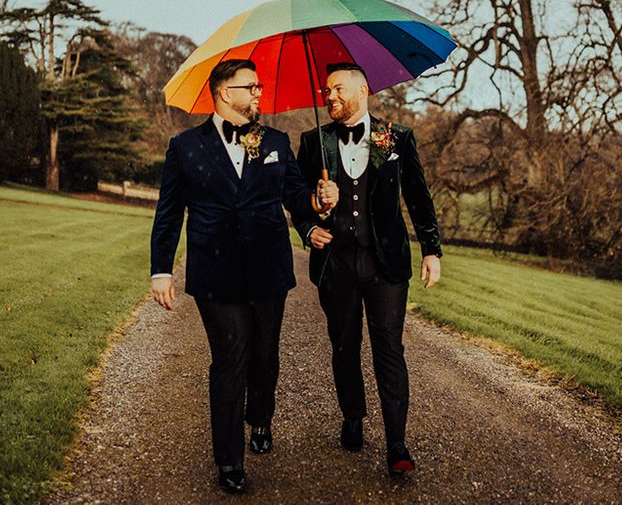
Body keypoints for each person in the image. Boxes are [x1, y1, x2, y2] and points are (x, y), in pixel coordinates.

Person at [149, 58, 338, 493]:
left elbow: (294, 193)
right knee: (229, 360)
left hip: (268, 269)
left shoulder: (275, 140)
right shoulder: (185, 146)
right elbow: (169, 213)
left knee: (264, 356)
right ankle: (229, 461)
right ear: (223, 92)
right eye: (250, 86)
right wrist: (161, 269)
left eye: (258, 86)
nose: (258, 93)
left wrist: (318, 199)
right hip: (215, 273)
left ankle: (262, 417)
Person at [294, 62, 442, 476]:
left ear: (363, 91)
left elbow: (417, 196)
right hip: (335, 263)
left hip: (386, 264)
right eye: (326, 91)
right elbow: (296, 200)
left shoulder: (396, 138)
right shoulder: (313, 142)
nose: (330, 97)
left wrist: (431, 250)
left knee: (389, 350)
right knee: (343, 345)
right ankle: (353, 416)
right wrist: (312, 218)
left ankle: (397, 443)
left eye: (338, 89)